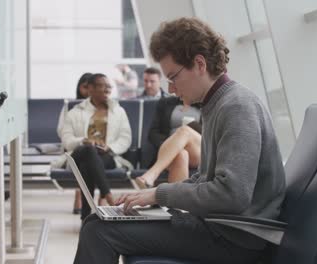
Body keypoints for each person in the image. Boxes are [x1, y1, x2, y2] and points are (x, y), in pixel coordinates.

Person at [74, 17, 286, 263]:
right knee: (99, 220)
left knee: (98, 231)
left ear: (199, 64)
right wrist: (153, 195)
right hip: (221, 228)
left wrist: (159, 195)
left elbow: (232, 195)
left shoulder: (237, 107)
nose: (171, 89)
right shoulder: (217, 104)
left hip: (236, 239)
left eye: (173, 77)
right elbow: (207, 178)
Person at [60, 73, 132, 220]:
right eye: (102, 86)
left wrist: (109, 147)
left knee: (88, 164)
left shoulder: (118, 111)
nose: (107, 89)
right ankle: (109, 197)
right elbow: (66, 140)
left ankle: (85, 217)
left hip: (106, 156)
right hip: (78, 155)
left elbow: (125, 138)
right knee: (88, 150)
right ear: (90, 89)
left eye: (109, 86)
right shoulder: (75, 112)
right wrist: (84, 140)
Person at [135, 95, 201, 188]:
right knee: (180, 154)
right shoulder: (166, 103)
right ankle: (177, 201)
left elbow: (211, 132)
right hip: (170, 146)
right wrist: (172, 144)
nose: (171, 89)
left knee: (184, 131)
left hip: (199, 148)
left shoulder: (205, 103)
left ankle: (152, 174)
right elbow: (153, 132)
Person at [56, 72, 92, 214]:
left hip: (94, 149)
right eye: (85, 87)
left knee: (91, 158)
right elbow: (62, 131)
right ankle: (84, 196)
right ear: (79, 88)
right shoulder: (69, 107)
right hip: (74, 148)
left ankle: (90, 199)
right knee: (83, 158)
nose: (88, 92)